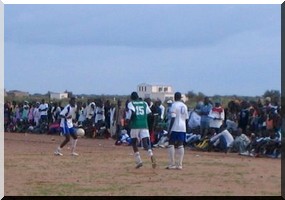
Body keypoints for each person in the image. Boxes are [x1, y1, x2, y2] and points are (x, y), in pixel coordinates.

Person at [126, 92, 156, 169]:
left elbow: (132, 113)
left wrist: (128, 121)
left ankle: (139, 161)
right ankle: (151, 155)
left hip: (135, 125)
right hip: (144, 125)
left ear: (131, 98)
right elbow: (149, 114)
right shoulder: (144, 103)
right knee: (145, 143)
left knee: (133, 142)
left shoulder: (131, 104)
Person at [166, 92, 189, 170]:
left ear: (174, 97)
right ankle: (180, 164)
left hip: (175, 126)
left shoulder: (174, 105)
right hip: (183, 127)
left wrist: (169, 130)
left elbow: (173, 118)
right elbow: (186, 118)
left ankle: (172, 164)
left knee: (171, 143)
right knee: (180, 144)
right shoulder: (184, 106)